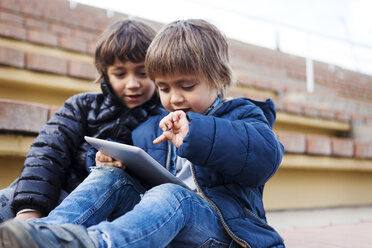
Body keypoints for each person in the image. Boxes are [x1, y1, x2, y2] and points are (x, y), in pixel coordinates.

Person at [0, 19, 285, 248]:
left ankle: (96, 242)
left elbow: (265, 157)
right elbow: (140, 183)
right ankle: (45, 236)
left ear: (221, 78)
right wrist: (106, 163)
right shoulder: (151, 127)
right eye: (164, 88)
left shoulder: (242, 115)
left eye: (187, 87)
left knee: (173, 195)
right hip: (169, 228)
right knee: (113, 177)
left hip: (225, 233)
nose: (174, 98)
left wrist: (197, 132)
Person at [0, 19, 163, 223]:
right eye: (120, 74)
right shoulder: (81, 105)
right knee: (7, 199)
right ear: (105, 74)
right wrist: (29, 209)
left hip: (114, 212)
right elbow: (47, 154)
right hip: (59, 193)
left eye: (143, 73)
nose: (132, 84)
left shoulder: (166, 119)